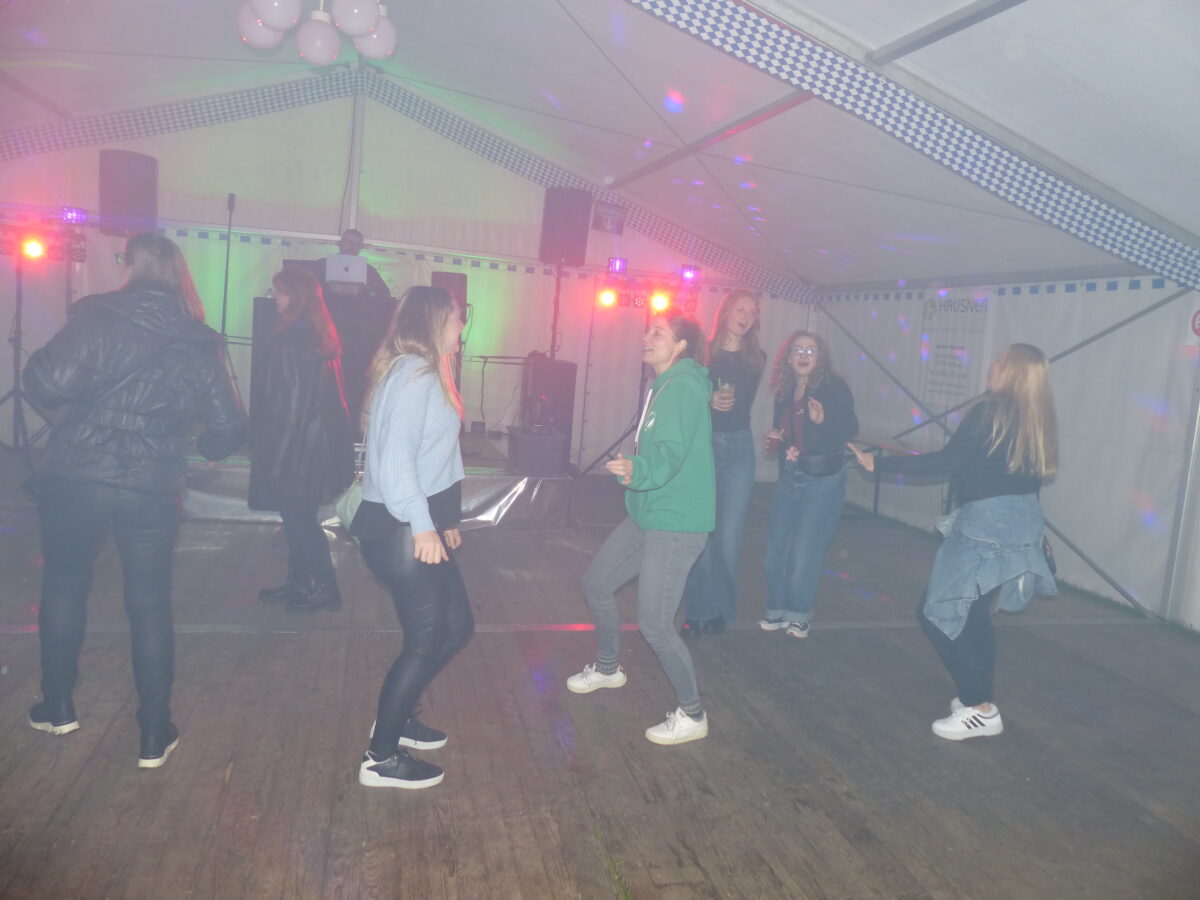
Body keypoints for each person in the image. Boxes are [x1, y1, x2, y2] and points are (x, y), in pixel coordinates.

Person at [23, 232, 246, 768]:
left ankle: (58, 706)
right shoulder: (198, 340)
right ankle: (152, 733)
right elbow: (227, 428)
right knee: (148, 604)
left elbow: (46, 383)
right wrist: (198, 448)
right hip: (151, 483)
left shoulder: (95, 315)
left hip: (78, 474)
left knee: (64, 584)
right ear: (178, 273)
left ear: (131, 266)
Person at [848, 343, 1058, 741]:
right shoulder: (1035, 417)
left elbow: (946, 462)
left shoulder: (990, 411)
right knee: (975, 614)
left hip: (985, 529)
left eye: (999, 360)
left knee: (936, 612)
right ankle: (979, 700)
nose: (992, 364)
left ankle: (980, 707)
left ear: (1012, 371)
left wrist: (881, 463)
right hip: (1019, 526)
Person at [567, 312, 715, 746]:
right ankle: (609, 667)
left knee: (656, 625)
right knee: (596, 584)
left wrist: (639, 469)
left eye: (659, 333)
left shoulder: (683, 387)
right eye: (648, 330)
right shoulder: (663, 385)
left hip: (677, 521)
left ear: (681, 346)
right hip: (649, 513)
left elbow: (670, 455)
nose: (647, 338)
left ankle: (693, 714)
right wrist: (637, 471)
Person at [351, 285, 473, 789]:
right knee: (426, 641)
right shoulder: (414, 375)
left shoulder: (428, 371)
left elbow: (440, 456)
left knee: (457, 627)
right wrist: (423, 524)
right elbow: (396, 461)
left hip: (413, 522)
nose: (462, 326)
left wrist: (446, 519)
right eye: (457, 317)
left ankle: (396, 717)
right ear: (435, 321)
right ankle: (380, 757)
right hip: (398, 528)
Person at [248, 267, 354, 612]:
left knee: (299, 521)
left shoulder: (292, 342)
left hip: (296, 449)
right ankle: (301, 583)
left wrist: (277, 460)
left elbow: (288, 410)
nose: (274, 297)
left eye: (279, 291)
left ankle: (323, 587)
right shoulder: (317, 339)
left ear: (295, 296)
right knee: (299, 518)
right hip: (312, 447)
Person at [760, 331, 858, 639]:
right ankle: (776, 608)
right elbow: (783, 432)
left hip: (822, 479)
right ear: (789, 359)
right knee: (775, 550)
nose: (804, 355)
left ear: (820, 357)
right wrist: (774, 439)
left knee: (805, 551)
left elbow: (850, 429)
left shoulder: (833, 387)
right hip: (791, 475)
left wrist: (823, 419)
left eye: (810, 350)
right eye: (798, 350)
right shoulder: (785, 391)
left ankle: (798, 614)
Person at [681, 289, 766, 637]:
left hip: (740, 448)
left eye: (752, 311)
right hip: (705, 445)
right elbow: (686, 393)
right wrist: (708, 397)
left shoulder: (757, 358)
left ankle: (720, 610)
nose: (746, 316)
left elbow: (743, 401)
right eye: (741, 309)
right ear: (727, 311)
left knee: (728, 539)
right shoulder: (702, 353)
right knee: (700, 533)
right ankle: (697, 609)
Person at [328, 228, 390, 298]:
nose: (351, 245)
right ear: (339, 243)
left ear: (360, 247)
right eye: (348, 241)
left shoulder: (369, 271)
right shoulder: (323, 265)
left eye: (356, 244)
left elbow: (385, 294)